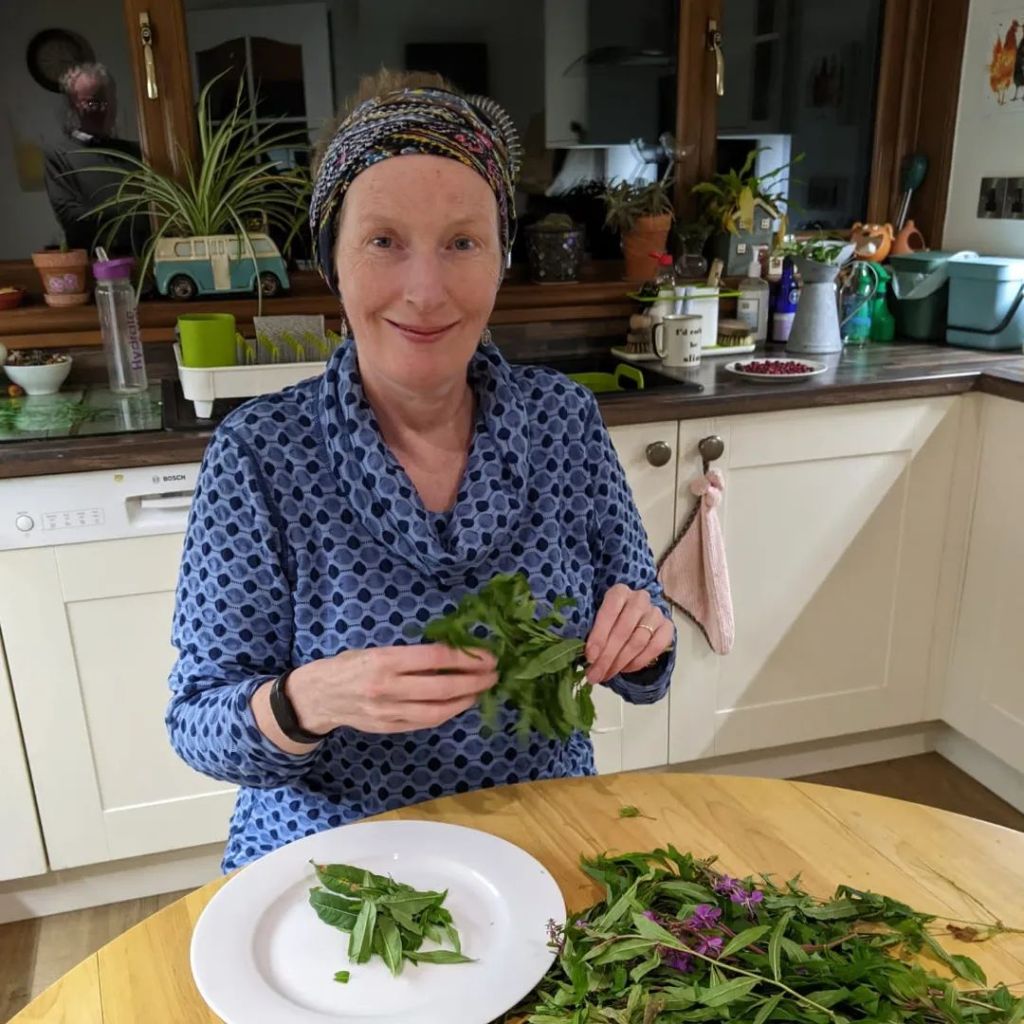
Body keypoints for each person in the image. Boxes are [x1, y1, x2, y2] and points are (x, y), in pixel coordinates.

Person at [166, 70, 676, 872]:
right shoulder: (261, 455)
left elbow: (642, 630)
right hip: (337, 867)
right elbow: (198, 721)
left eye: (462, 243)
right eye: (383, 241)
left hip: (538, 841)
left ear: (501, 260)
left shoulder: (564, 421)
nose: (426, 290)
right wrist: (309, 701)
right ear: (334, 262)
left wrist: (643, 637)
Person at [43, 62, 145, 254]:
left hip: (144, 256)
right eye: (92, 102)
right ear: (72, 106)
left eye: (108, 101)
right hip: (94, 263)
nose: (103, 110)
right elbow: (71, 216)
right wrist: (134, 210)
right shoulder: (59, 153)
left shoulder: (135, 150)